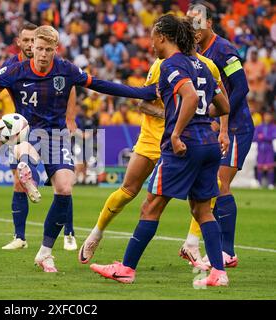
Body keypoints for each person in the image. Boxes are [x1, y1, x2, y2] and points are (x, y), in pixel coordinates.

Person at [0, 25, 157, 273]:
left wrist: (142, 92)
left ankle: (45, 253)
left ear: (56, 49)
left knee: (65, 188)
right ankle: (28, 173)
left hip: (56, 138)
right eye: (39, 48)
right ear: (31, 47)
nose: (43, 54)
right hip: (28, 132)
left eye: (49, 49)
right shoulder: (15, 70)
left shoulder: (66, 69)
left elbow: (101, 85)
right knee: (25, 149)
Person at [90, 14, 230, 287]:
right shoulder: (201, 65)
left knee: (150, 206)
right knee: (203, 211)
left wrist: (177, 133)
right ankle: (218, 272)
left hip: (184, 147)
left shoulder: (170, 64)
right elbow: (223, 105)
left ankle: (126, 269)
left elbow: (189, 97)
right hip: (208, 145)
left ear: (163, 37)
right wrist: (90, 82)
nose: (150, 42)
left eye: (153, 36)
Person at [0, 22, 79, 251]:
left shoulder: (54, 65)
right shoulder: (13, 66)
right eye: (26, 40)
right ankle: (20, 237)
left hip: (53, 131)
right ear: (20, 42)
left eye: (32, 40)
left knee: (61, 182)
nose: (30, 44)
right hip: (23, 131)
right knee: (19, 181)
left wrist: (70, 118)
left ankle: (69, 232)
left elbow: (70, 86)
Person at [182, 3, 255, 268]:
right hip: (215, 128)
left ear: (210, 23)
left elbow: (242, 86)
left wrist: (217, 114)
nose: (194, 27)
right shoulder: (196, 52)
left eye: (198, 22)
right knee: (210, 185)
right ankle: (200, 244)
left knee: (219, 184)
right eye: (190, 22)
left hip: (236, 128)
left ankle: (227, 251)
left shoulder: (224, 50)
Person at [254, 111, 275, 189]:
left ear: (271, 117)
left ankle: (271, 184)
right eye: (266, 115)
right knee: (260, 167)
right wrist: (262, 137)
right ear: (264, 116)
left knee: (270, 167)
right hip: (260, 150)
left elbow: (273, 136)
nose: (267, 117)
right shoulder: (259, 127)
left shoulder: (273, 127)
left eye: (269, 116)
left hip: (269, 150)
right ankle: (259, 183)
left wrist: (263, 137)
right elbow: (255, 137)